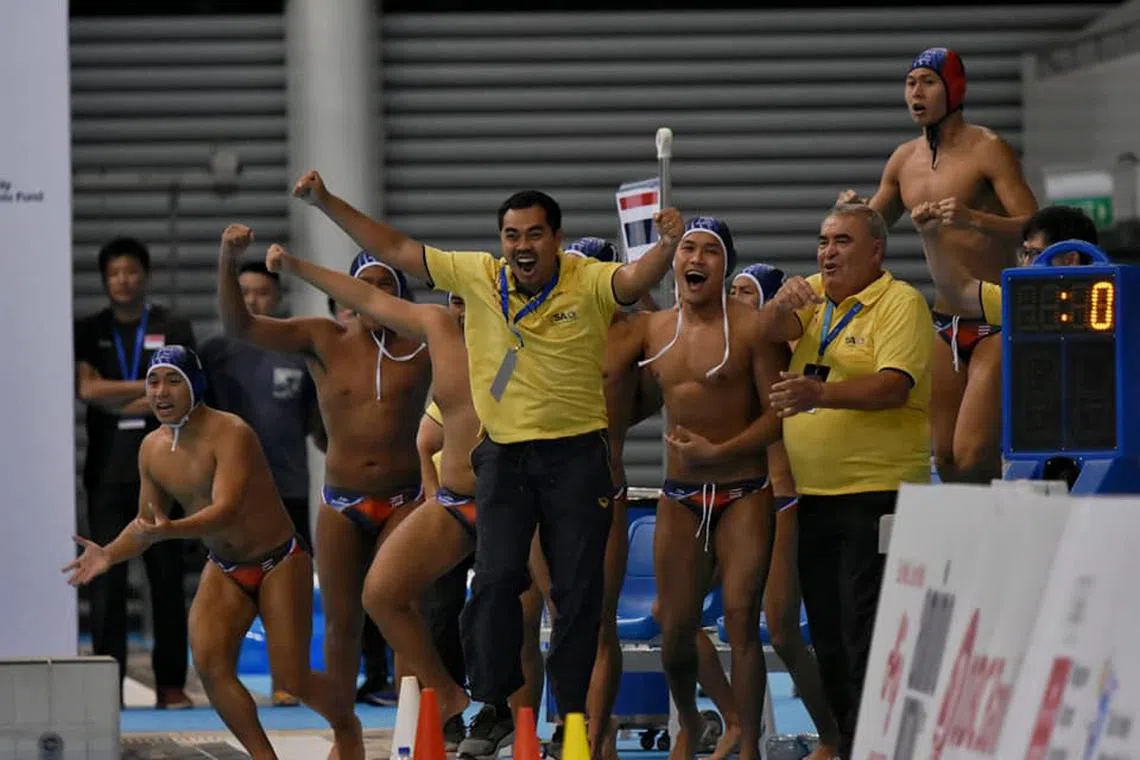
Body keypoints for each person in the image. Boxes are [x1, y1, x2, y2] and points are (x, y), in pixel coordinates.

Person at [291, 168, 679, 758]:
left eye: (534, 234)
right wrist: (324, 203)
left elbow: (633, 278)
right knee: (495, 581)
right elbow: (393, 250)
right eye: (511, 234)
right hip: (504, 459)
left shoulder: (588, 279)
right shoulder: (478, 277)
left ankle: (571, 723)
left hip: (577, 457)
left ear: (556, 237)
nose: (521, 245)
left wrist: (666, 249)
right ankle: (490, 704)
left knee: (576, 599)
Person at [265, 242, 549, 754]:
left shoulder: (518, 345)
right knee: (381, 596)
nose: (461, 312)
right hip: (450, 502)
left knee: (525, 620)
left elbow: (523, 419)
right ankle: (447, 701)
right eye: (455, 302)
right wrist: (295, 266)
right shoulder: (439, 340)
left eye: (472, 302)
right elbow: (429, 431)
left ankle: (527, 733)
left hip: (513, 503)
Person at [64, 346, 363, 760]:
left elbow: (225, 510)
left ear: (195, 386)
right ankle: (264, 757)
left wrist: (170, 530)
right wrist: (110, 554)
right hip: (225, 567)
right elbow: (146, 522)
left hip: (279, 559)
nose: (161, 392)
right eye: (153, 382)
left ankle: (347, 728)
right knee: (209, 664)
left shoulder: (231, 432)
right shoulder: (151, 448)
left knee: (292, 678)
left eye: (173, 381)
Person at [216, 224, 432, 715]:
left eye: (386, 285)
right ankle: (343, 731)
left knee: (404, 614)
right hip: (342, 501)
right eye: (366, 286)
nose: (376, 296)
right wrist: (228, 261)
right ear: (348, 293)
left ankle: (411, 723)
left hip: (404, 499)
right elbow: (239, 327)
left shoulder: (422, 343)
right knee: (340, 623)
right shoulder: (323, 337)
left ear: (402, 293)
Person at [760, 204, 933, 760]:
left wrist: (820, 393)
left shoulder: (900, 303)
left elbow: (893, 388)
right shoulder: (812, 297)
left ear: (876, 251)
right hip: (817, 497)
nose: (827, 251)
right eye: (822, 240)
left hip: (878, 497)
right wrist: (775, 307)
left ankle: (874, 747)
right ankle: (854, 743)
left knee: (867, 638)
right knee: (829, 640)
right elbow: (760, 337)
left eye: (842, 241)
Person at [839, 47, 1038, 485]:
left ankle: (994, 541)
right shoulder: (903, 161)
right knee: (945, 461)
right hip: (944, 321)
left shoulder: (988, 150)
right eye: (911, 83)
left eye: (928, 82)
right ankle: (968, 550)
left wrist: (975, 219)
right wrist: (852, 213)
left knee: (971, 454)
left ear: (954, 89)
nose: (917, 93)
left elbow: (1035, 228)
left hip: (996, 319)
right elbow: (876, 227)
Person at [633, 217, 781, 760]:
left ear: (726, 267)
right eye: (687, 249)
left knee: (741, 616)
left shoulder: (751, 328)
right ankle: (694, 721)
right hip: (679, 494)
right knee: (674, 628)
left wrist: (719, 452)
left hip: (742, 489)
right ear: (673, 262)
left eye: (710, 252)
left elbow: (776, 418)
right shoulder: (654, 330)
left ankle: (748, 747)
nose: (696, 259)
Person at [73, 236, 193, 709]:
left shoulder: (173, 324)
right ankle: (109, 690)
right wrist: (149, 385)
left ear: (145, 275)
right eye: (114, 273)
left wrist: (115, 391)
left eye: (131, 271)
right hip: (105, 474)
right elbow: (86, 388)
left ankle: (171, 683)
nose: (123, 280)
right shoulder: (89, 329)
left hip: (165, 472)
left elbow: (180, 390)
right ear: (105, 280)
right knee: (107, 582)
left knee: (165, 581)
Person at [728, 264, 840, 760]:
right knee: (679, 618)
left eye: (746, 293)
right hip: (731, 499)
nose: (735, 300)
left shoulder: (784, 353)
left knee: (782, 630)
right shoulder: (726, 348)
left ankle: (834, 733)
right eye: (732, 291)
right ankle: (736, 729)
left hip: (784, 497)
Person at [198, 262, 323, 706]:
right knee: (228, 580)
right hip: (230, 494)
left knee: (287, 590)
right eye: (244, 292)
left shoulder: (299, 353)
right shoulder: (212, 354)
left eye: (262, 293)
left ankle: (288, 680)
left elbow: (319, 422)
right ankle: (222, 676)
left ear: (279, 299)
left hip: (288, 487)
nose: (252, 301)